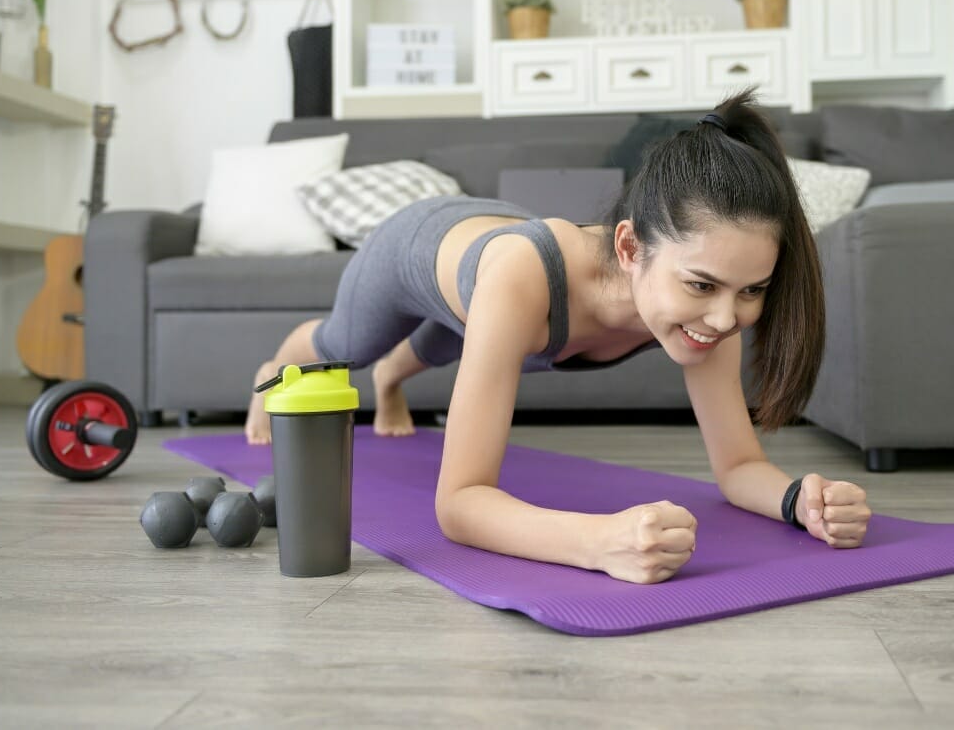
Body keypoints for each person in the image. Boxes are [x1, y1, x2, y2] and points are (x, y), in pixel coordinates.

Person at [245, 89, 871, 584]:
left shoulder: (712, 308)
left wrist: (799, 500)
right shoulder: (524, 279)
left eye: (753, 290)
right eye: (702, 285)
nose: (726, 319)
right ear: (630, 247)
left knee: (447, 342)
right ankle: (275, 367)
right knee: (343, 349)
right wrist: (599, 542)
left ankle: (393, 379)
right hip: (413, 245)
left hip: (495, 275)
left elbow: (738, 466)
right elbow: (459, 502)